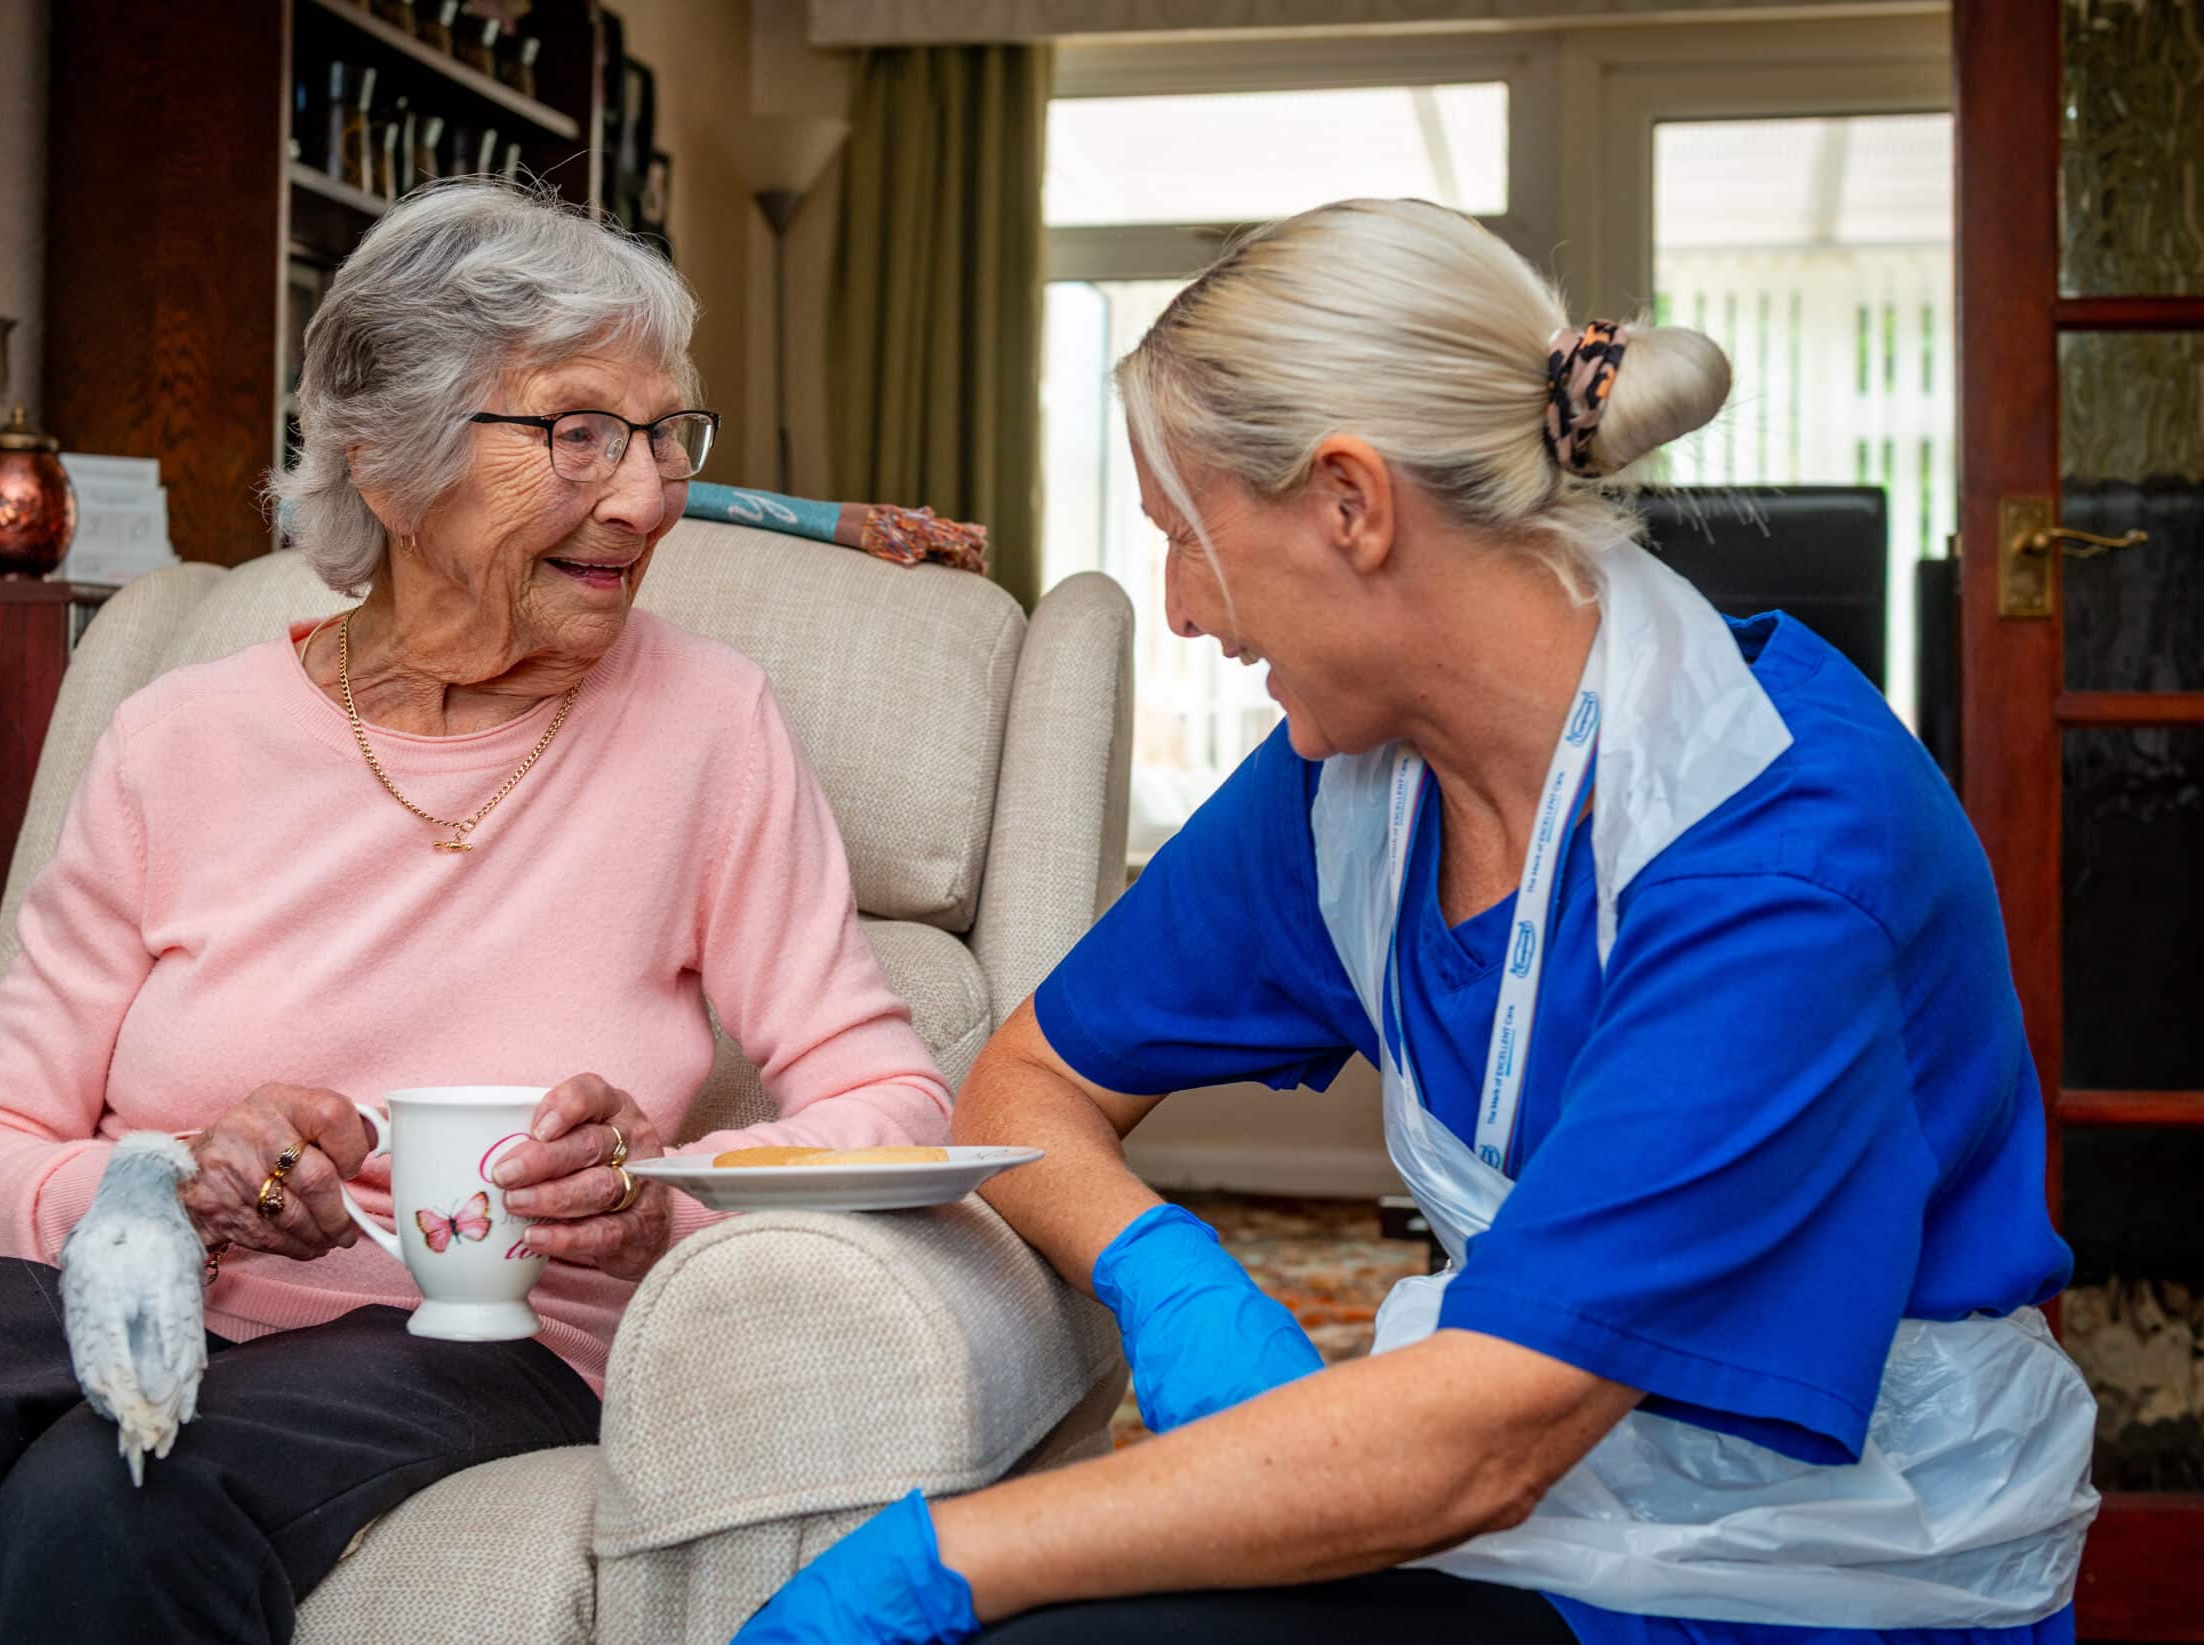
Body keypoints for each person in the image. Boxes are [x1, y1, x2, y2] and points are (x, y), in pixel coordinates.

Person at [737, 197, 2097, 1645]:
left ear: (1350, 504)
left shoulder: (1775, 851)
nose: (1187, 610)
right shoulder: (1356, 784)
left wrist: (939, 1555)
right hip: (1548, 1517)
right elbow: (1025, 1078)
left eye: (1187, 537)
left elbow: (1487, 1437)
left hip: (1821, 1582)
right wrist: (1163, 1265)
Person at [0, 182, 953, 1645]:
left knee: (109, 1508)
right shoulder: (177, 740)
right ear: (386, 465)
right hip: (125, 1291)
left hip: (467, 1331)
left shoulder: (707, 725)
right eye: (579, 432)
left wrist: (663, 1195)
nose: (646, 496)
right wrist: (166, 1187)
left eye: (664, 434)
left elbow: (890, 1097)